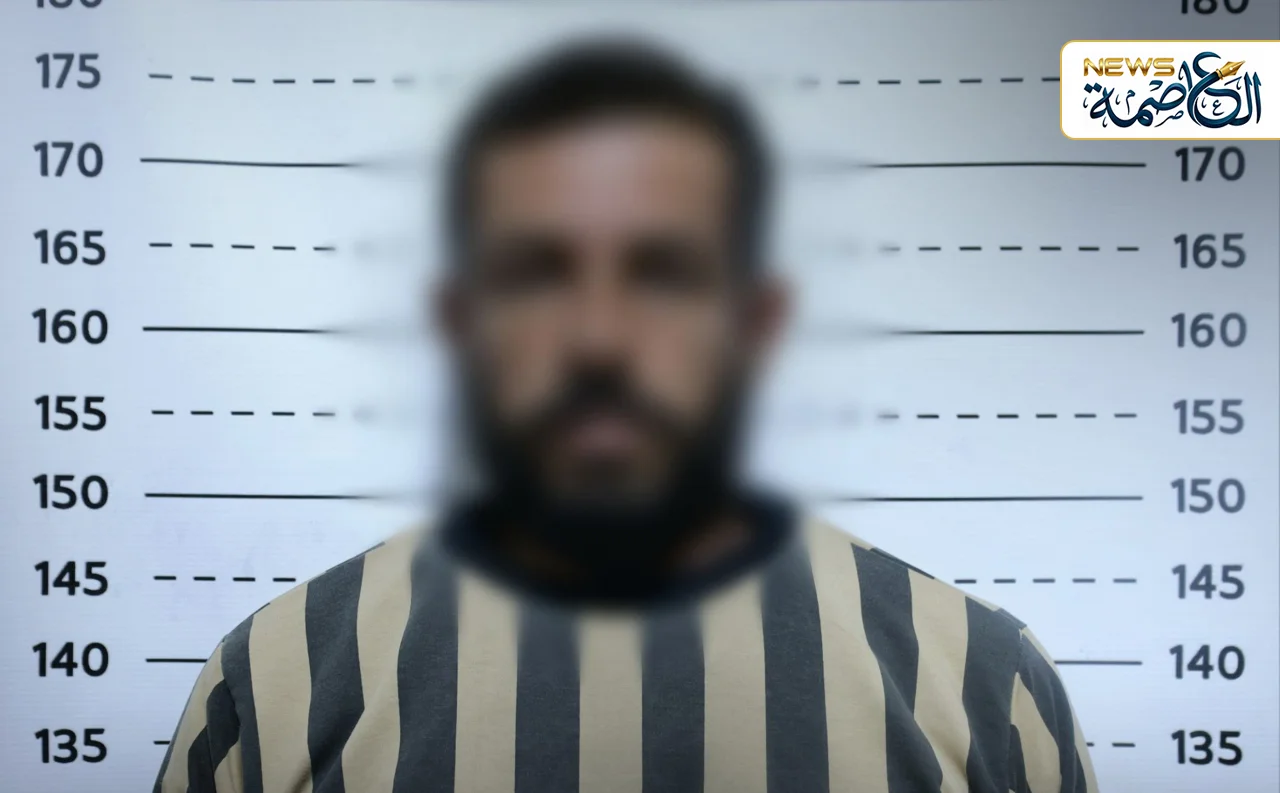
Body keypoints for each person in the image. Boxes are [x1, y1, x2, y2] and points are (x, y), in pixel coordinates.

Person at [155, 38, 1098, 793]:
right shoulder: (272, 686)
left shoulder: (986, 686)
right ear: (460, 320)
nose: (599, 338)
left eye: (665, 272)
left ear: (756, 320)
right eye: (536, 271)